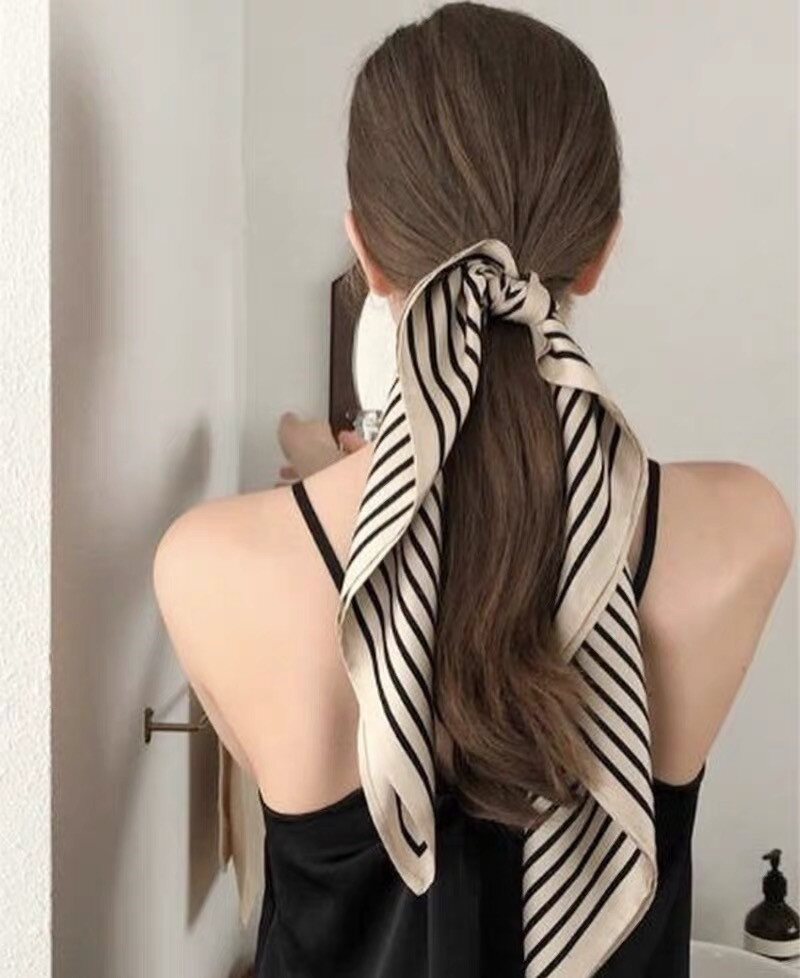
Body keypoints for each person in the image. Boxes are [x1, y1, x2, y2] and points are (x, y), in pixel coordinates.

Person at [152, 4, 795, 976]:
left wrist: (335, 480)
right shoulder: (744, 526)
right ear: (600, 253)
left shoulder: (211, 566)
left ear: (365, 253)